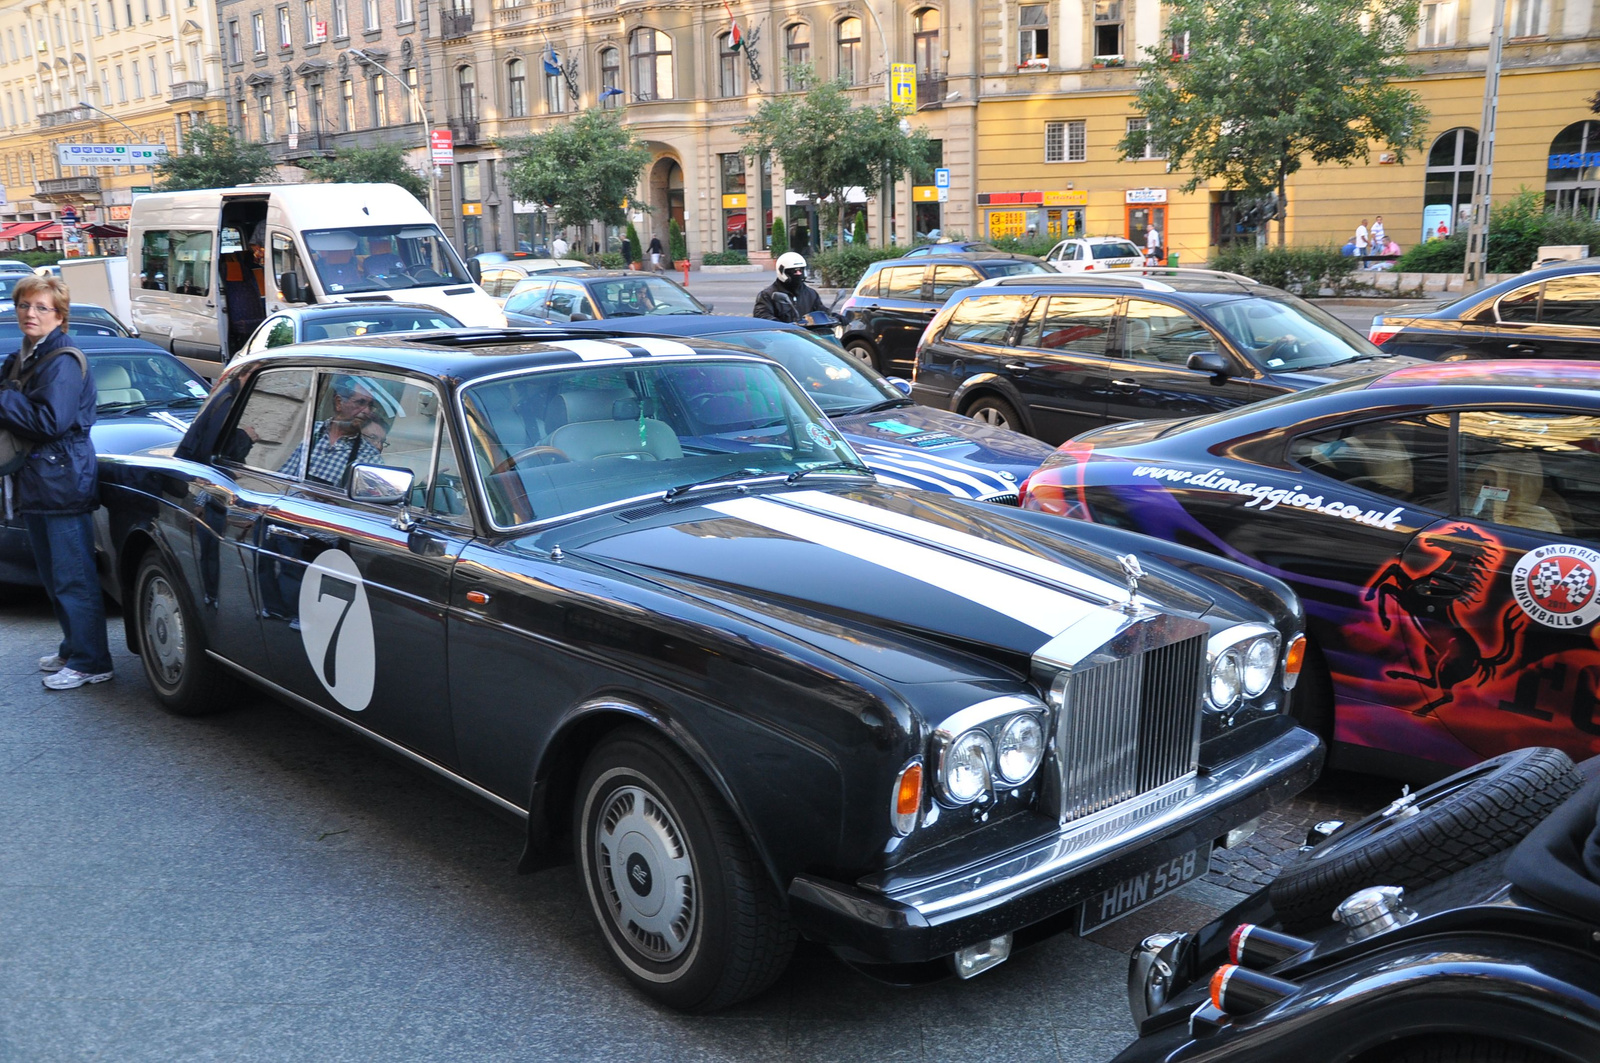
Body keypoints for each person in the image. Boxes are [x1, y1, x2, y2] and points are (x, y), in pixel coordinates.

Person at [0, 276, 113, 690]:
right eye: (25, 306)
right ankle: (73, 648)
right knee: (53, 575)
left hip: (62, 482)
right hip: (39, 481)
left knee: (73, 577)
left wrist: (5, 398)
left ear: (60, 315)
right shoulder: (25, 357)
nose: (30, 314)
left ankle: (91, 661)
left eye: (41, 307)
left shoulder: (62, 360)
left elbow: (50, 422)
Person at [279, 375, 384, 486]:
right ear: (339, 403)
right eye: (360, 402)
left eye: (370, 406)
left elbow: (371, 499)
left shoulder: (370, 457)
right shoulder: (310, 431)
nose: (367, 411)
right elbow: (283, 479)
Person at [753, 251, 824, 322]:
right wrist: (783, 327)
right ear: (782, 271)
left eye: (801, 270)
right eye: (794, 271)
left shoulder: (811, 294)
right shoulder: (768, 295)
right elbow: (762, 316)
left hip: (806, 332)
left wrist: (831, 317)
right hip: (782, 332)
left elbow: (822, 313)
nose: (799, 274)